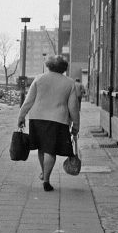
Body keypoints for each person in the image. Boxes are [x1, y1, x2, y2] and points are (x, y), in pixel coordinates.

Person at [17, 55, 80, 191]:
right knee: (51, 150)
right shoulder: (69, 83)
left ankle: (43, 172)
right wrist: (76, 124)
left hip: (37, 118)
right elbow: (73, 107)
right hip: (58, 120)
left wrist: (21, 116)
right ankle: (46, 180)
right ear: (64, 68)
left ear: (49, 65)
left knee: (41, 147)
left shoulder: (39, 79)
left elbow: (28, 101)